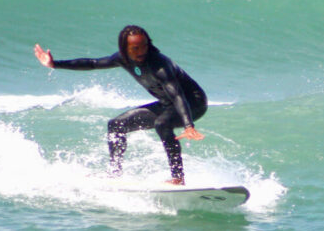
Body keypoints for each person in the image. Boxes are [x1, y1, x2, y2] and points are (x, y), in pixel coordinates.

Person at [34, 25, 206, 185]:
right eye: (135, 48)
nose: (141, 51)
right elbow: (92, 63)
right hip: (167, 103)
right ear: (125, 49)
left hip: (193, 102)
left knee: (162, 123)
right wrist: (54, 64)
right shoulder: (122, 59)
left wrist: (188, 125)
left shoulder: (160, 65)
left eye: (144, 46)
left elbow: (177, 95)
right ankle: (114, 172)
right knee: (116, 125)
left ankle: (178, 177)